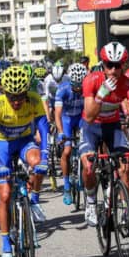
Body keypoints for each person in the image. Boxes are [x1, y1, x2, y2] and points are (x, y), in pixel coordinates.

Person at [0, 65, 49, 257]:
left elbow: (44, 129)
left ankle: (34, 201)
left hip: (24, 142)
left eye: (20, 96)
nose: (17, 101)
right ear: (5, 92)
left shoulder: (34, 100)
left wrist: (45, 157)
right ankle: (6, 249)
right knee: (4, 194)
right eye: (12, 96)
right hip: (2, 145)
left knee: (37, 163)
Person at [80, 42, 129, 227]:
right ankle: (91, 202)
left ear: (123, 66)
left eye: (117, 66)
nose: (113, 70)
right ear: (103, 64)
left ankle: (125, 212)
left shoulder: (128, 85)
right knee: (88, 167)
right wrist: (102, 93)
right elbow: (90, 116)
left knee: (125, 170)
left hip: (113, 127)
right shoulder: (91, 80)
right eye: (109, 65)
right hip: (91, 128)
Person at [54, 63, 86, 205]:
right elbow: (57, 114)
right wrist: (61, 132)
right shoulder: (63, 89)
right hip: (66, 119)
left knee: (86, 149)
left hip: (80, 118)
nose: (78, 88)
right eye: (75, 85)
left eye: (80, 85)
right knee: (67, 151)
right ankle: (66, 185)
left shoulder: (86, 89)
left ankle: (83, 176)